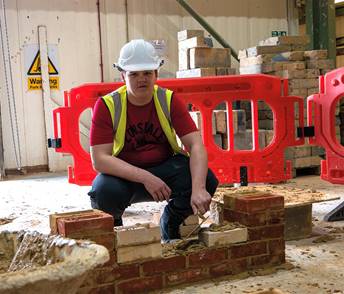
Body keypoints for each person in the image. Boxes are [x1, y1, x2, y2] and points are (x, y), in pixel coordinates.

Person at [88, 39, 218, 242]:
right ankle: (115, 237)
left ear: (156, 74)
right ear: (123, 75)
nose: (142, 79)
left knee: (206, 179)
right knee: (103, 191)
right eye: (134, 74)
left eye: (147, 73)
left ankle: (171, 223)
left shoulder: (168, 100)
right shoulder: (107, 105)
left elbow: (195, 145)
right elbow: (100, 159)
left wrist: (199, 188)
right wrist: (145, 178)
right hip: (127, 176)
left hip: (165, 170)